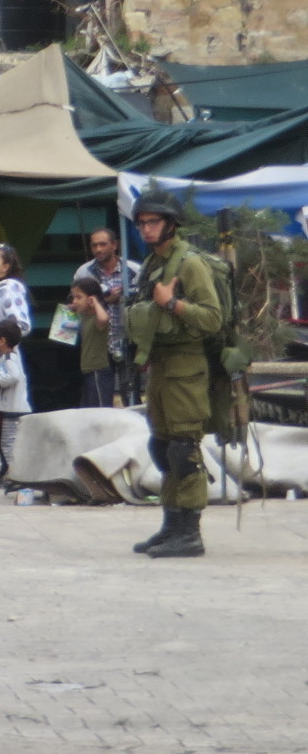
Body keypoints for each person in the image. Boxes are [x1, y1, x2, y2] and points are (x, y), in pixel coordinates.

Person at [127, 194, 221, 558]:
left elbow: (212, 318)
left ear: (170, 224)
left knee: (184, 450)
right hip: (161, 365)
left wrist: (172, 303)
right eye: (142, 223)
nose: (146, 229)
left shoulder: (190, 263)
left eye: (153, 222)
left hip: (186, 366)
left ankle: (190, 533)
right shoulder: (153, 262)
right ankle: (171, 525)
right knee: (163, 447)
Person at [74, 227, 137, 400]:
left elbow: (144, 304)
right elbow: (76, 305)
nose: (98, 249)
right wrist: (106, 300)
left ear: (114, 245)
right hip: (99, 344)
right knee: (100, 397)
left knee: (131, 395)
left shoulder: (133, 270)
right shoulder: (84, 272)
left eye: (102, 244)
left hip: (127, 340)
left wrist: (126, 297)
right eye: (94, 245)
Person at [0, 319, 31, 485]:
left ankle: (16, 476)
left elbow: (14, 376)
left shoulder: (10, 359)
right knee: (9, 442)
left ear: (2, 340)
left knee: (9, 443)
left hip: (14, 410)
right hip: (9, 408)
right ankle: (15, 475)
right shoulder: (5, 358)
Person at [70, 277, 116, 409]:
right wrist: (72, 309)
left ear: (90, 298)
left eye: (79, 297)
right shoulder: (84, 316)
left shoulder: (97, 317)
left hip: (99, 370)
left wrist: (96, 303)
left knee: (101, 411)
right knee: (88, 410)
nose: (75, 301)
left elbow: (104, 318)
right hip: (87, 370)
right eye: (74, 297)